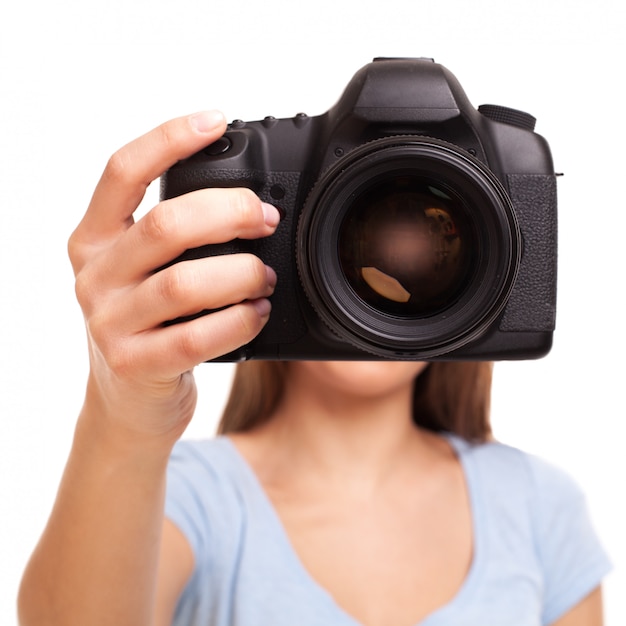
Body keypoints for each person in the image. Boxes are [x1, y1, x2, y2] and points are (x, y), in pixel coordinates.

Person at [18, 111, 611, 626]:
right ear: (274, 219)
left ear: (497, 258)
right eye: (360, 220)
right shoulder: (182, 491)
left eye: (435, 247)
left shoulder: (539, 504)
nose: (395, 258)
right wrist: (124, 412)